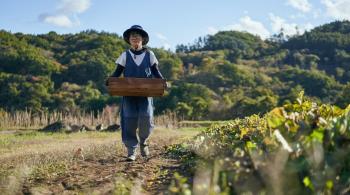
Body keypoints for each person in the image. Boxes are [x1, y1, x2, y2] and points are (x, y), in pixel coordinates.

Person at [106, 25, 165, 161]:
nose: (134, 37)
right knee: (129, 120)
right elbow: (117, 72)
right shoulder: (125, 55)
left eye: (138, 35)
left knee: (146, 117)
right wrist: (110, 80)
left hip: (145, 94)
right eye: (132, 36)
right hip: (128, 94)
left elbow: (156, 71)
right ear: (129, 39)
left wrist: (162, 81)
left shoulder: (150, 54)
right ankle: (131, 151)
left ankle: (144, 142)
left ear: (142, 39)